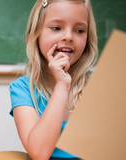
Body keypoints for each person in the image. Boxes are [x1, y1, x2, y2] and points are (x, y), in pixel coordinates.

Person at [9, 0, 98, 159]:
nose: (69, 37)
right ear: (36, 33)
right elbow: (39, 153)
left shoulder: (99, 85)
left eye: (79, 30)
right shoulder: (22, 89)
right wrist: (62, 86)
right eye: (56, 28)